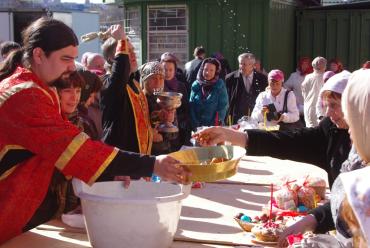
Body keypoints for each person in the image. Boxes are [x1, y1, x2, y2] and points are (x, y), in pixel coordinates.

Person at [0, 17, 189, 244]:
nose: (72, 67)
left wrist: (108, 171)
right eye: (65, 59)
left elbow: (62, 149)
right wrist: (152, 165)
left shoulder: (40, 89)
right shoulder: (26, 96)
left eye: (74, 59)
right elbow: (76, 150)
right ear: (39, 55)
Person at [194, 70, 351, 187]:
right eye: (326, 105)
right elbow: (287, 142)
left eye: (334, 105)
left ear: (355, 104)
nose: (328, 112)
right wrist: (229, 135)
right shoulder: (331, 128)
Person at [100, 24, 152, 156]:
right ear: (114, 59)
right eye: (128, 52)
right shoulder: (108, 83)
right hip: (119, 163)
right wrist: (121, 41)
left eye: (133, 51)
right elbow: (119, 75)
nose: (133, 55)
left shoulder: (134, 82)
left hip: (140, 159)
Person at [225, 52, 268, 124]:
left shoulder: (262, 79)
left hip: (256, 117)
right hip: (235, 118)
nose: (242, 66)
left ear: (253, 65)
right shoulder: (230, 78)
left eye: (245, 64)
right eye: (240, 64)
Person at [161, 55, 192, 147]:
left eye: (170, 70)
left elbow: (186, 107)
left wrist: (177, 118)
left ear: (175, 71)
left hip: (177, 128)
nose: (167, 73)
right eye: (165, 69)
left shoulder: (180, 86)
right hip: (161, 127)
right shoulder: (157, 85)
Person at [189, 57, 229, 129]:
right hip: (196, 128)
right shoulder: (196, 85)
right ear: (202, 69)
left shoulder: (220, 86)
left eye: (211, 70)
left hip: (214, 129)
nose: (208, 73)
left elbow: (222, 108)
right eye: (205, 69)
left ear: (216, 71)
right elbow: (191, 106)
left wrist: (212, 127)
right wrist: (196, 125)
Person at [301, 56, 327, 127]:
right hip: (320, 111)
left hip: (308, 108)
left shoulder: (308, 77)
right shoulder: (326, 78)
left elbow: (303, 92)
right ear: (324, 67)